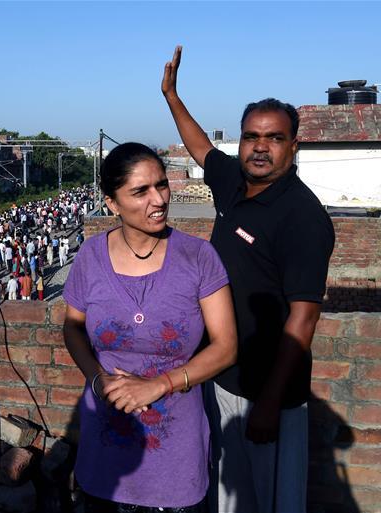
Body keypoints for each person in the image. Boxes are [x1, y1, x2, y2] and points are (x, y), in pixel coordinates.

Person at [162, 45, 335, 513]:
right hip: (225, 379)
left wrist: (268, 401)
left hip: (267, 393)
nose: (260, 146)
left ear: (293, 146)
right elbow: (200, 149)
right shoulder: (236, 183)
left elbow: (302, 320)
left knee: (268, 501)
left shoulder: (301, 217)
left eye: (274, 138)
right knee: (227, 498)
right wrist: (171, 96)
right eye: (251, 136)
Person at [62, 142, 237, 513]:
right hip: (105, 454)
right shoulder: (91, 258)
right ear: (112, 203)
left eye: (161, 185)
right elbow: (73, 327)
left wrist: (160, 385)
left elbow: (226, 347)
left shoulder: (198, 257)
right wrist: (98, 379)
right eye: (140, 192)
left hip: (175, 460)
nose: (158, 199)